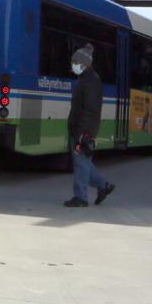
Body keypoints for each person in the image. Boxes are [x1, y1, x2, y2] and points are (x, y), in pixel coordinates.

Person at [63, 44, 115, 207]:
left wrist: (83, 132)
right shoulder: (85, 79)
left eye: (75, 62)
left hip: (83, 130)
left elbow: (90, 110)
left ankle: (81, 198)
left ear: (84, 63)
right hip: (79, 128)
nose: (73, 65)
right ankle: (103, 186)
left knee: (80, 163)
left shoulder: (91, 81)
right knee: (83, 161)